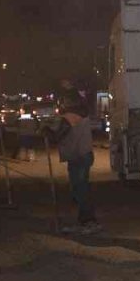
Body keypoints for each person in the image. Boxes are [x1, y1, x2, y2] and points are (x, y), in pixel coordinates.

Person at [58, 100, 100, 235]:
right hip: (83, 155)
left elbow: (60, 134)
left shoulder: (71, 117)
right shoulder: (81, 117)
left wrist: (47, 132)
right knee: (80, 189)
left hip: (78, 157)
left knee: (80, 190)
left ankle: (89, 222)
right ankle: (85, 221)